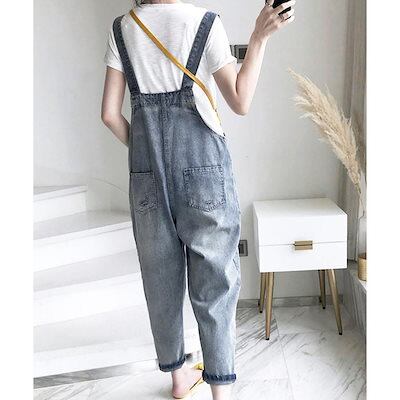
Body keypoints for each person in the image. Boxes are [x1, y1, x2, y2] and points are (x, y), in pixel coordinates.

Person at [101, 1, 295, 399]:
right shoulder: (204, 22)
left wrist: (144, 157)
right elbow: (240, 100)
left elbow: (109, 114)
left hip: (146, 174)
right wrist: (259, 37)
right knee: (215, 282)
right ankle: (220, 393)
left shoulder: (122, 28)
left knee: (160, 279)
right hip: (203, 169)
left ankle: (178, 378)